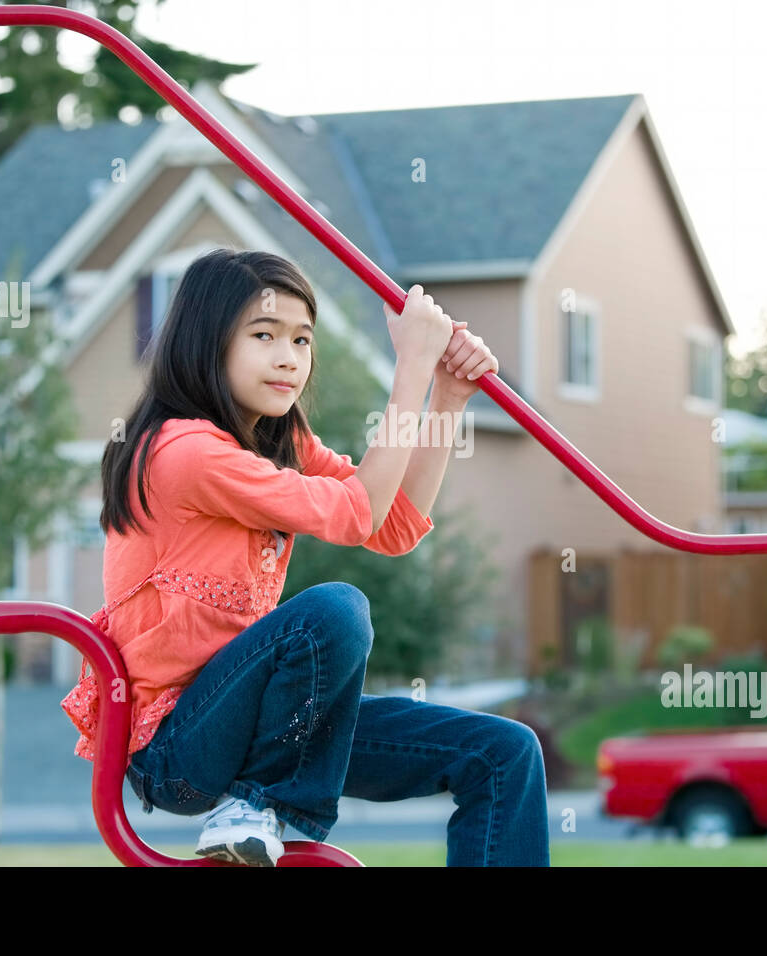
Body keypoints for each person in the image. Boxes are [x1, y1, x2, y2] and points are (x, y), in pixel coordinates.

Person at [61, 247, 550, 867]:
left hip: (266, 724)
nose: (289, 358)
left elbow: (392, 522)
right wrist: (411, 370)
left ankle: (261, 801)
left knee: (503, 754)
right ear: (207, 341)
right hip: (179, 746)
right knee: (333, 611)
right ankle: (256, 805)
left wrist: (446, 398)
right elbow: (355, 514)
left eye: (302, 339)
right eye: (264, 335)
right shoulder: (182, 453)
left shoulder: (278, 439)